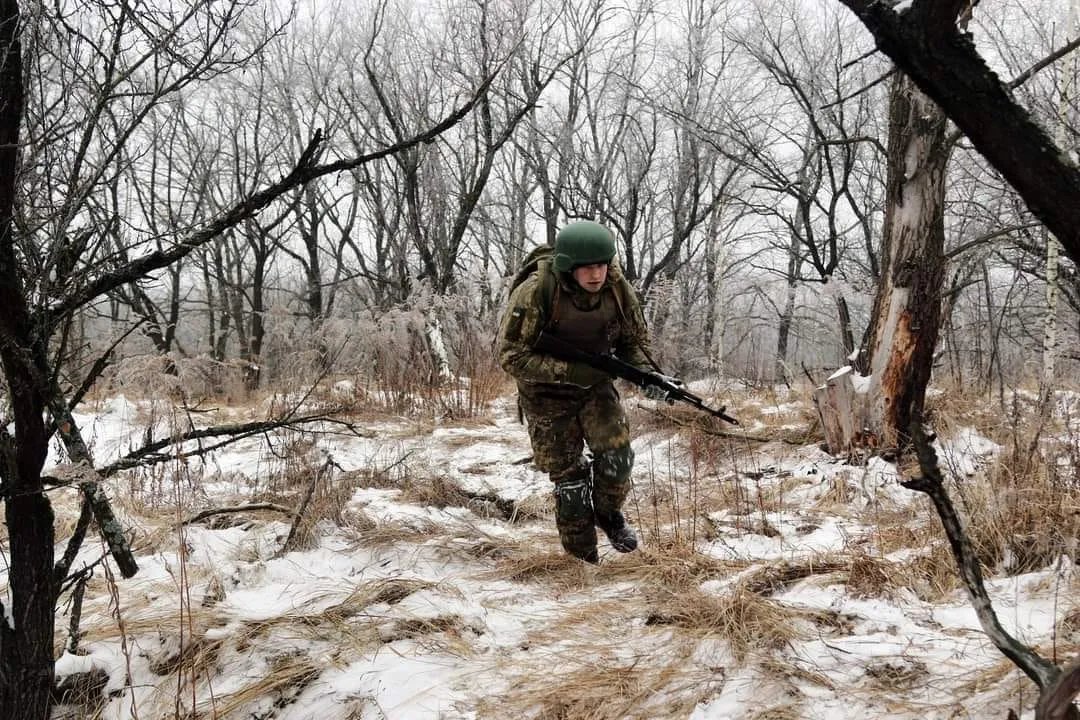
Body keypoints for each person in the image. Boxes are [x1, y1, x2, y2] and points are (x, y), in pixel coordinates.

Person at [498, 219, 656, 563]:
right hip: (544, 394)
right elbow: (510, 355)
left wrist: (649, 375)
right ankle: (583, 561)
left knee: (617, 456)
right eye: (587, 268)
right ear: (570, 266)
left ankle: (608, 514)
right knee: (570, 481)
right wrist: (570, 371)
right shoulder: (538, 290)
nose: (596, 275)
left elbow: (634, 341)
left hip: (595, 386)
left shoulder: (617, 288)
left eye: (601, 265)